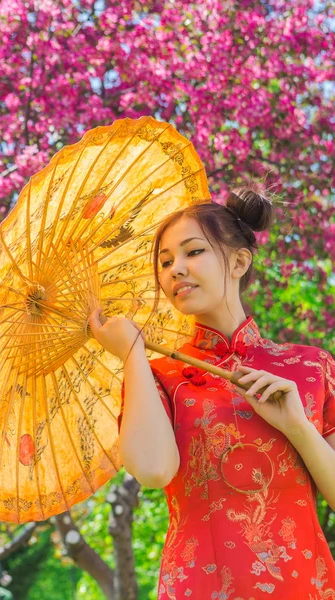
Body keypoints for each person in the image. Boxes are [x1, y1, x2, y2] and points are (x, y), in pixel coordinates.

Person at [89, 186, 335, 599]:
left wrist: (298, 427)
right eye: (165, 262)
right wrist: (131, 353)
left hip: (303, 584)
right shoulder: (160, 375)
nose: (175, 269)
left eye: (193, 252)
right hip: (198, 587)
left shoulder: (311, 367)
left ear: (239, 261)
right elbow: (152, 471)